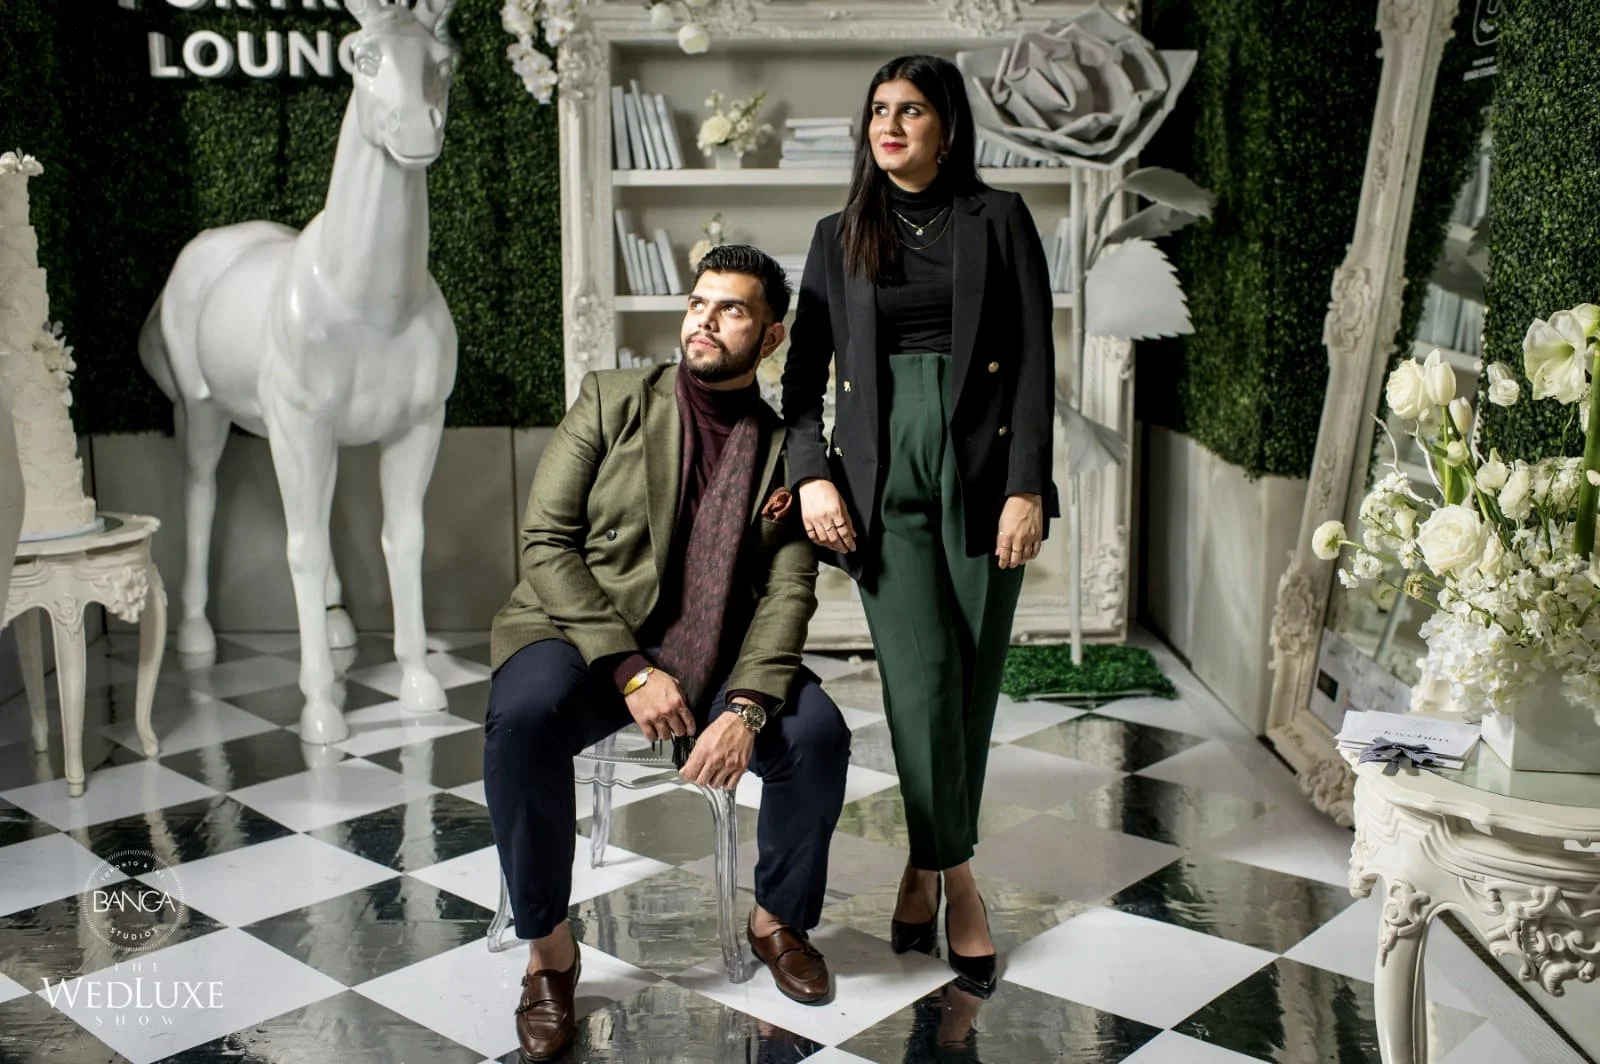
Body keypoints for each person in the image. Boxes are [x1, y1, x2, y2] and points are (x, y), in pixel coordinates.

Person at [485, 244, 852, 1062]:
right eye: (698, 303)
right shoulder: (613, 401)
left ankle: (776, 920)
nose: (705, 321)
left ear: (770, 337)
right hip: (584, 633)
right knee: (523, 718)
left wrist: (748, 706)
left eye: (731, 310)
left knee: (819, 737)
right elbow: (547, 542)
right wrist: (632, 670)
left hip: (720, 649)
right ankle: (549, 951)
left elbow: (791, 589)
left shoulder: (783, 452)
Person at [781, 54, 1059, 994]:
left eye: (910, 110)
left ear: (947, 126)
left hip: (984, 470)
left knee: (972, 677)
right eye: (877, 110)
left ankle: (923, 865)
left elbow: (1033, 361)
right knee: (919, 679)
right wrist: (813, 478)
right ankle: (963, 879)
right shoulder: (837, 234)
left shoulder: (1000, 220)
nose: (889, 124)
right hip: (875, 473)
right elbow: (799, 387)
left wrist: (1029, 485)